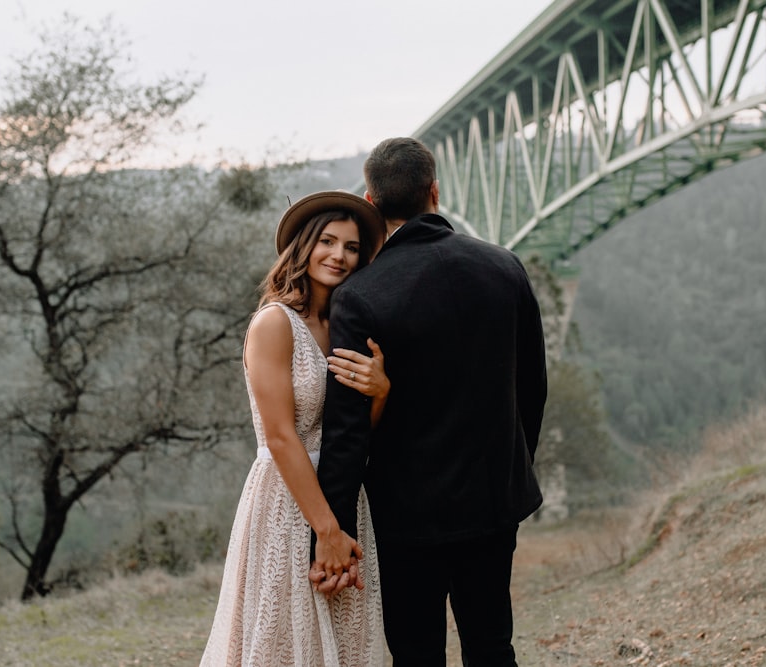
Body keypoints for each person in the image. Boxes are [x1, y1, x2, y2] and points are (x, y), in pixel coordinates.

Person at [315, 137, 548, 666]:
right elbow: (532, 388)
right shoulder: (505, 267)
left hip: (406, 516)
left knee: (417, 653)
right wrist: (512, 470)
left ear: (371, 203)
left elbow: (348, 428)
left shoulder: (361, 295)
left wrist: (334, 530)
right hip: (494, 501)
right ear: (434, 192)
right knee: (492, 647)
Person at [199, 191, 388, 666]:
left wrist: (381, 391)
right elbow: (281, 435)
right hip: (287, 499)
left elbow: (356, 432)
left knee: (348, 639)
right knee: (283, 639)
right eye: (327, 241)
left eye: (350, 247)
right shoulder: (274, 323)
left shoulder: (347, 325)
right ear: (303, 247)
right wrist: (326, 529)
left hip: (346, 496)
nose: (339, 256)